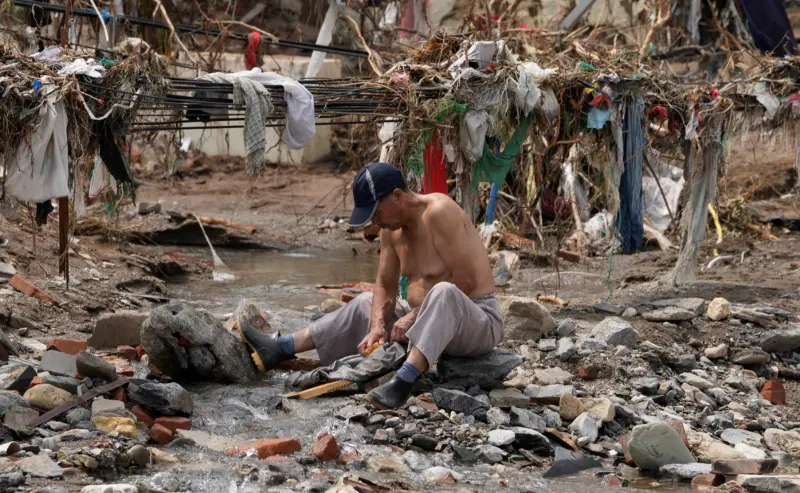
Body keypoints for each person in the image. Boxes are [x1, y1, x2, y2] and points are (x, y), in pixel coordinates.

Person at [238, 162, 504, 409]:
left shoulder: (439, 211)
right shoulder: (391, 230)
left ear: (398, 196)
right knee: (366, 302)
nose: (375, 223)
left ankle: (403, 381)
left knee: (443, 292)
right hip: (425, 324)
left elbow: (466, 281)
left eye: (376, 212)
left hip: (476, 320)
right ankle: (281, 347)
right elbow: (385, 286)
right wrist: (377, 326)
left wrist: (413, 315)